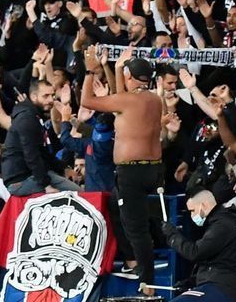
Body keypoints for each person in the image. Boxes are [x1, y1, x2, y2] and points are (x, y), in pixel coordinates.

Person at [82, 49, 165, 297]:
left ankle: (147, 286)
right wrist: (118, 69)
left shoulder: (128, 100)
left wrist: (89, 71)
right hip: (153, 169)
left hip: (132, 172)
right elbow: (122, 99)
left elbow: (86, 101)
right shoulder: (153, 99)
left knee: (136, 230)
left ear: (130, 76)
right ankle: (135, 265)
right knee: (120, 211)